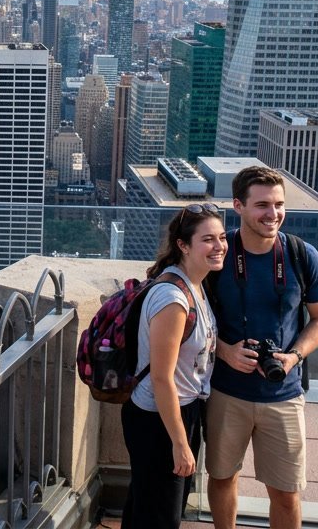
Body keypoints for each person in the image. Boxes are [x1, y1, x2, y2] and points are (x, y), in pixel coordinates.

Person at [206, 166, 318, 529]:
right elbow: (189, 319)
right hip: (226, 391)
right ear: (237, 206)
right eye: (262, 204)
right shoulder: (218, 255)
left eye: (279, 204)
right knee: (222, 478)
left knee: (287, 493)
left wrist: (294, 356)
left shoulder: (301, 255)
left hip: (284, 393)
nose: (273, 213)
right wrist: (226, 351)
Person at [121, 204, 226, 529]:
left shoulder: (195, 284)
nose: (219, 246)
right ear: (183, 245)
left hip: (176, 411)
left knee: (145, 509)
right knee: (160, 517)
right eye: (208, 239)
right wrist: (180, 444)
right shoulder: (173, 298)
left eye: (222, 237)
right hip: (159, 419)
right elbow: (162, 378)